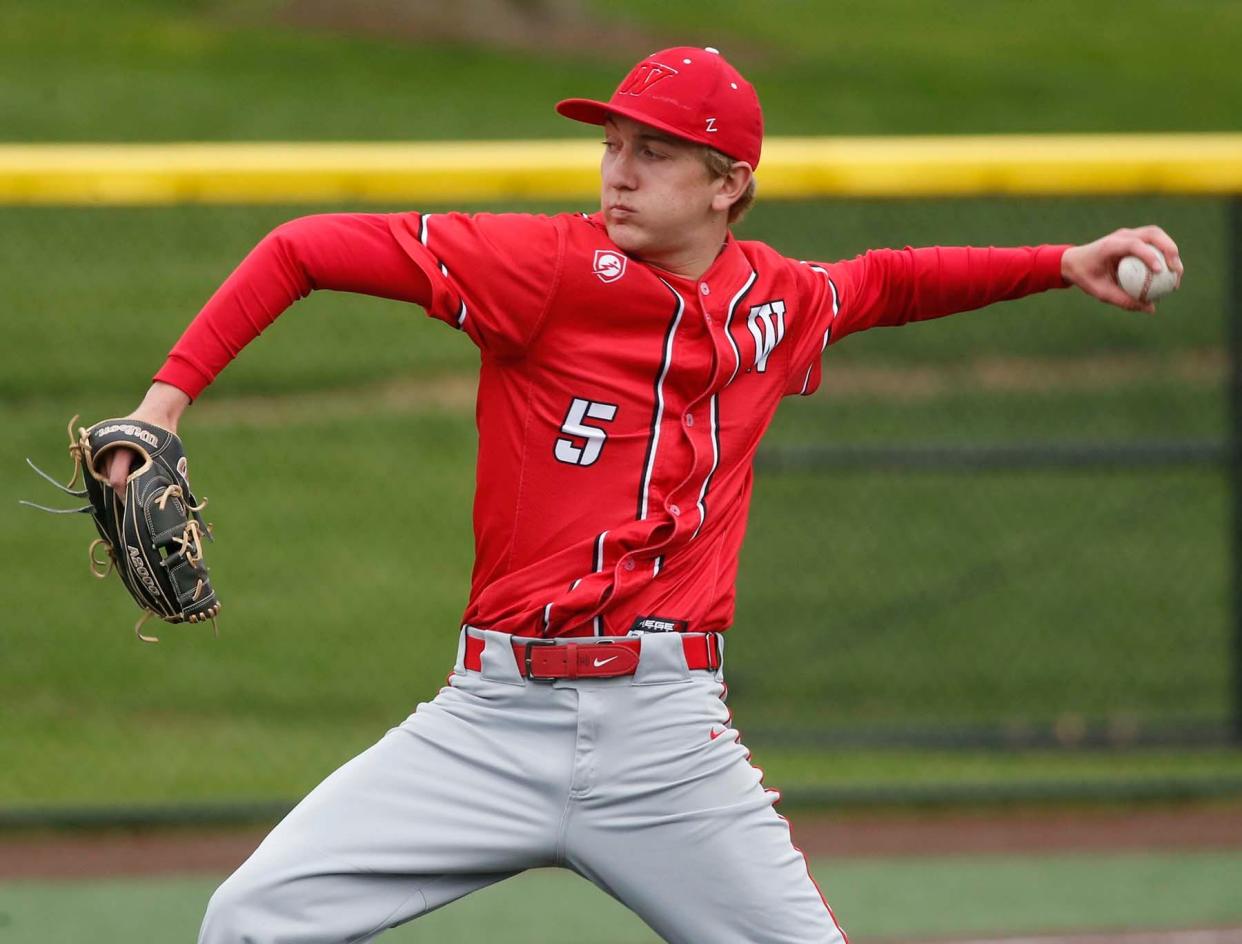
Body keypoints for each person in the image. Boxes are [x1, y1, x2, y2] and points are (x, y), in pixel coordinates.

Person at [103, 46, 1180, 944]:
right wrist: (162, 409)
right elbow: (302, 249)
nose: (617, 169)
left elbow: (890, 281)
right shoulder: (540, 268)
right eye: (612, 144)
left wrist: (1059, 260)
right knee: (249, 918)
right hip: (490, 717)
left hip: (664, 736)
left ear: (728, 184)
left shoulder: (777, 300)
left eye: (653, 151)